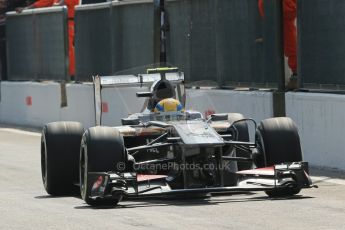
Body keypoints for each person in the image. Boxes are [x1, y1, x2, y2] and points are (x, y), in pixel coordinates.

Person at [258, 0, 298, 90]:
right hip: (279, 10)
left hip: (282, 9)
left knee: (290, 42)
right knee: (289, 41)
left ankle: (297, 75)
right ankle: (296, 75)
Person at [55, 0, 79, 79]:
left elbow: (61, 3)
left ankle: (72, 73)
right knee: (62, 48)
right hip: (61, 21)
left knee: (68, 47)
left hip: (69, 22)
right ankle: (64, 72)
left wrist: (52, 5)